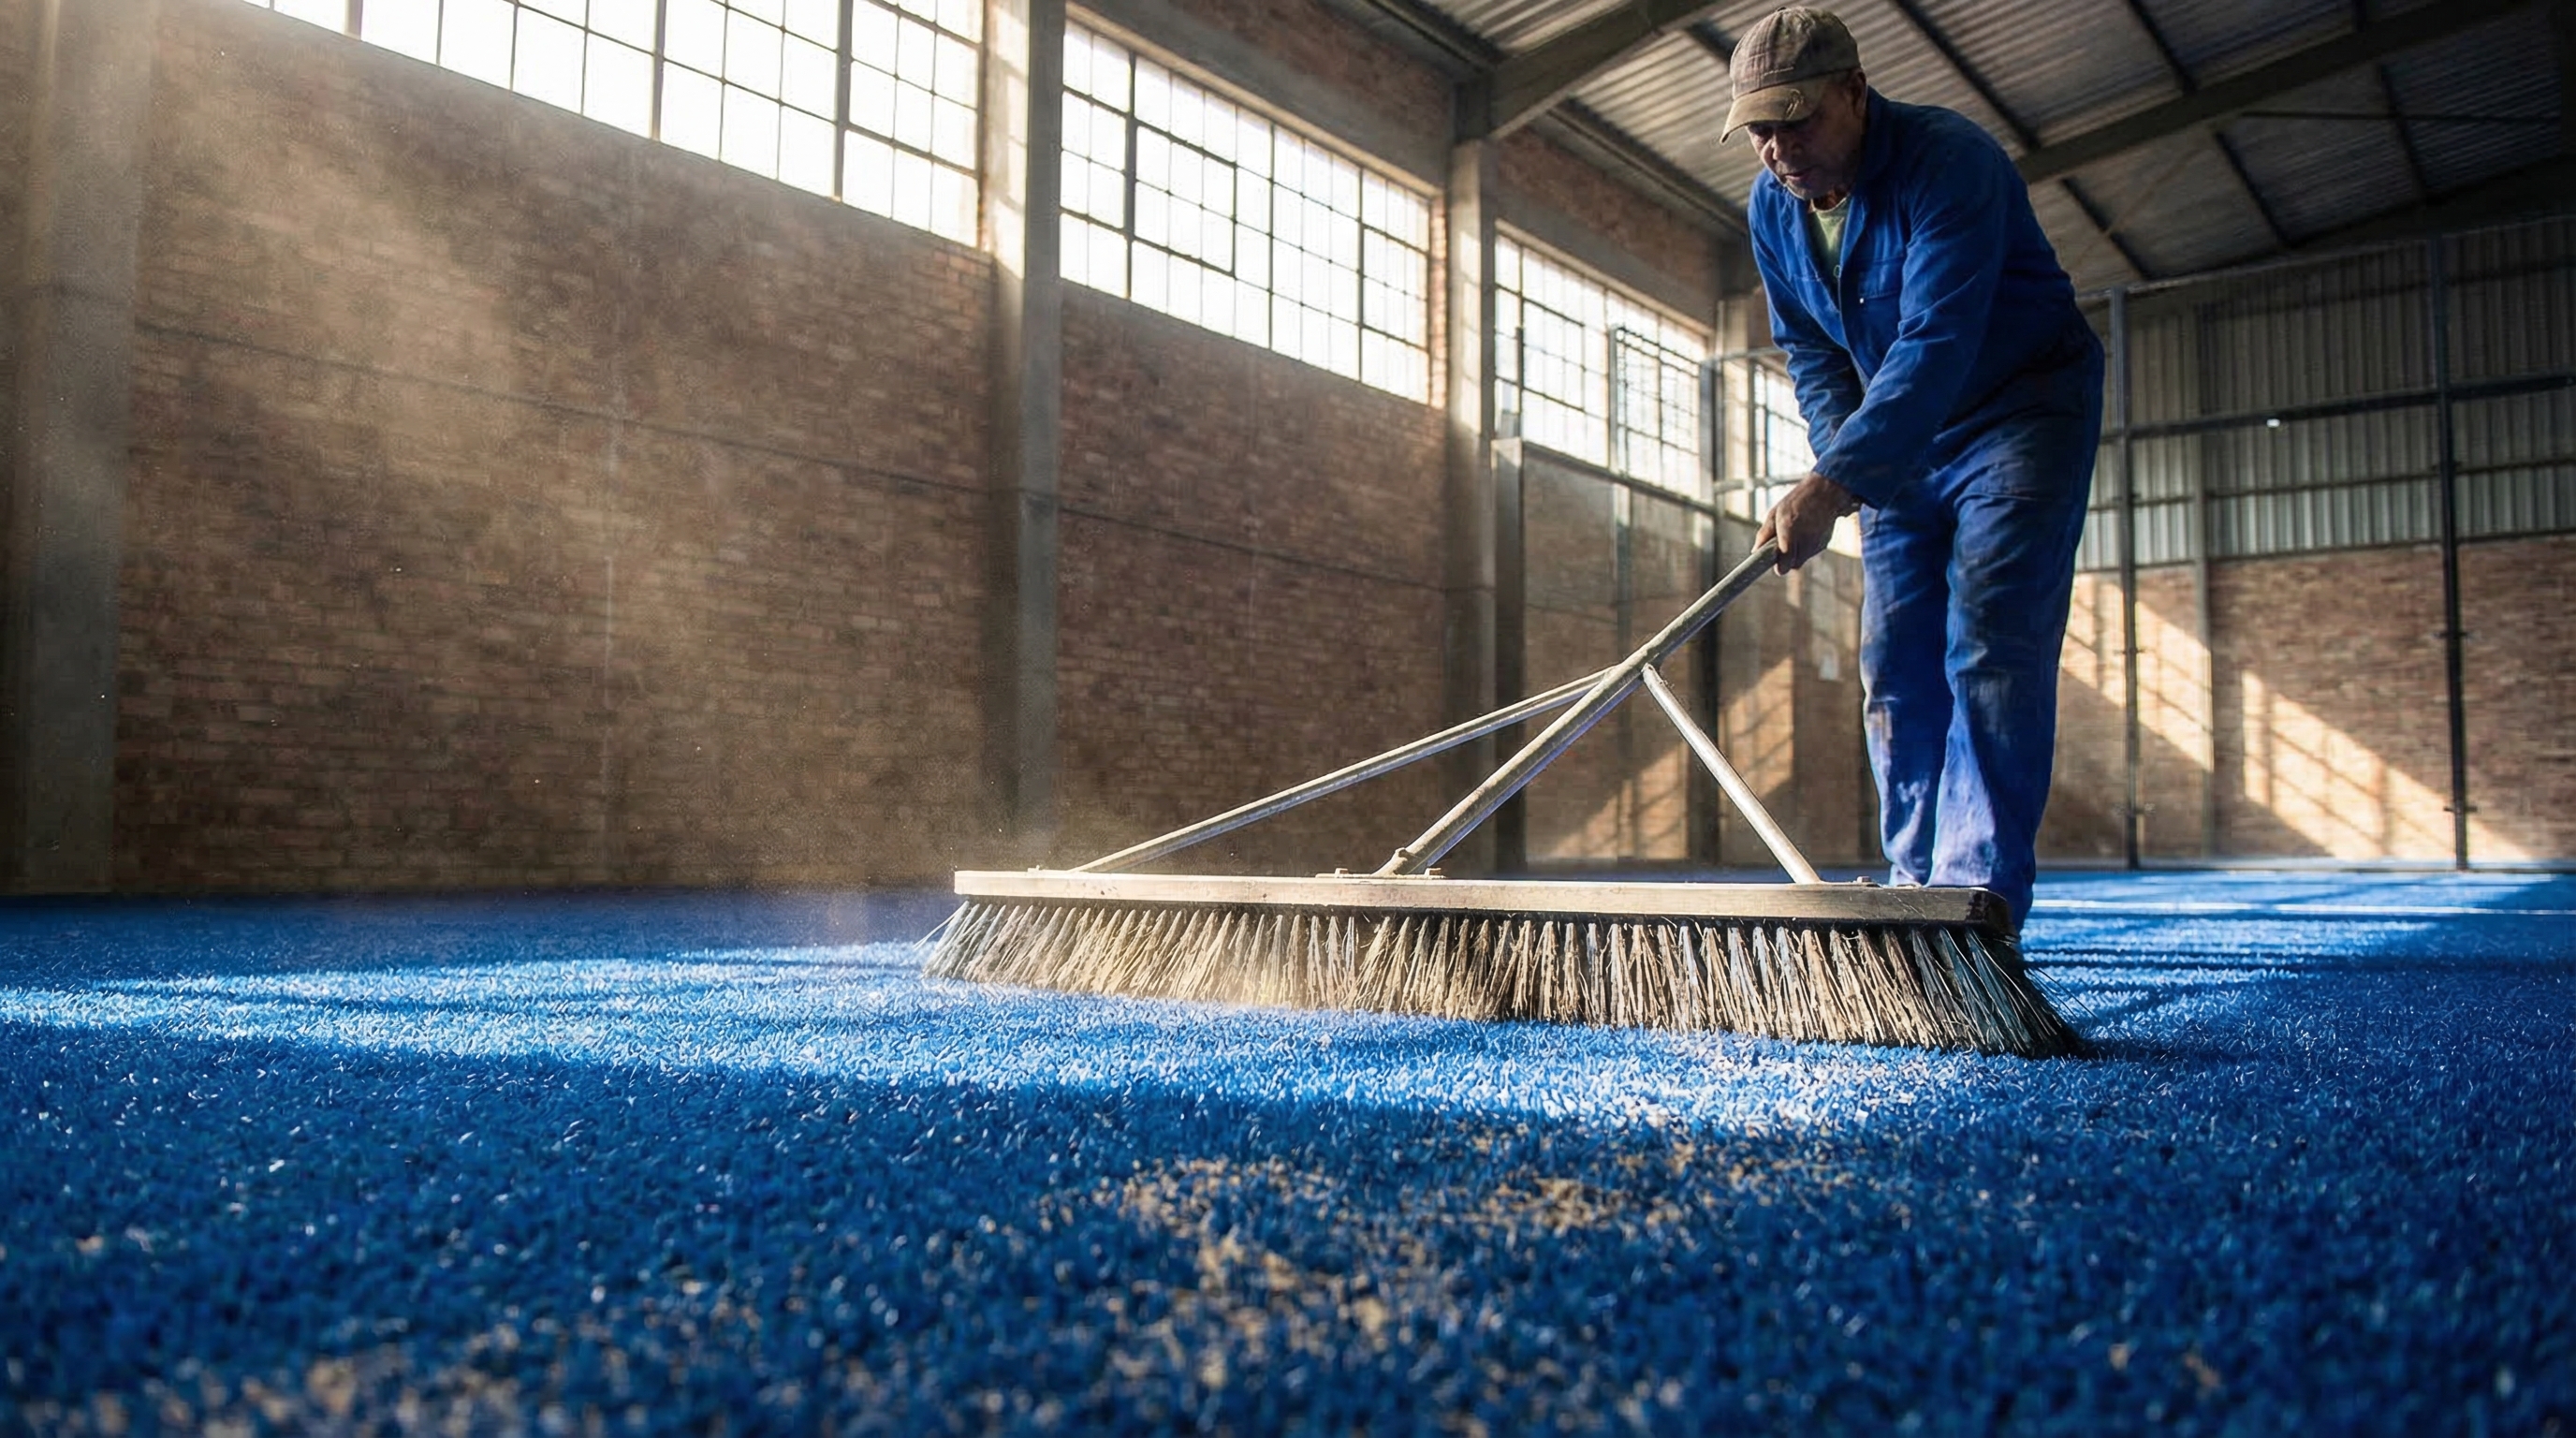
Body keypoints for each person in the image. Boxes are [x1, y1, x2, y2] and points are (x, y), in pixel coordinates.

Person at [1726, 7, 2102, 930]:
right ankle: (1913, 894)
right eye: (1760, 130)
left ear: (1855, 91)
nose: (1780, 150)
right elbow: (1810, 349)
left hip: (2017, 411)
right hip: (1891, 448)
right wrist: (1838, 462)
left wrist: (1837, 479)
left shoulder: (1950, 162)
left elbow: (1936, 338)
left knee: (1988, 642)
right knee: (1895, 664)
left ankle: (1971, 899)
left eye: (1798, 120)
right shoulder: (1772, 209)